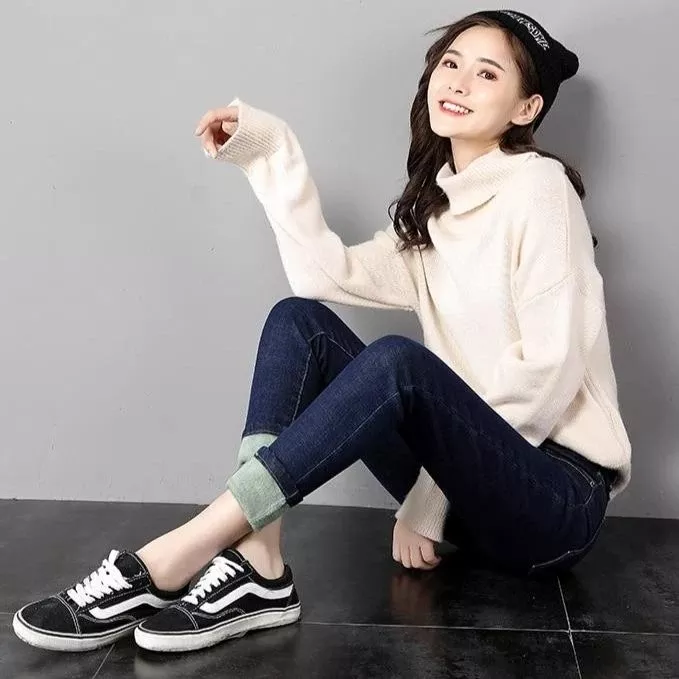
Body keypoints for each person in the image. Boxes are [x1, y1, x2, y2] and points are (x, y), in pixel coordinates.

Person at [13, 9, 631, 655]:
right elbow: (321, 275)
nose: (457, 82)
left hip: (552, 502)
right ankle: (260, 561)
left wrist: (426, 501)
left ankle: (177, 551)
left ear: (526, 108)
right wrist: (270, 151)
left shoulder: (540, 189)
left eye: (486, 74)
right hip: (468, 493)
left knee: (398, 362)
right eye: (450, 63)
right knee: (298, 321)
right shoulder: (437, 210)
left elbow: (549, 371)